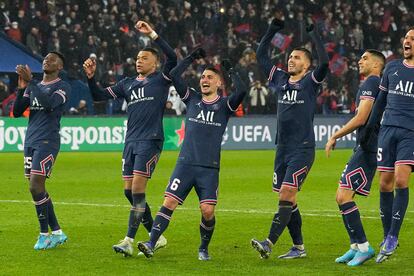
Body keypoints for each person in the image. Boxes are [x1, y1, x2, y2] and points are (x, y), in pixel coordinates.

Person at [137, 49, 247, 261]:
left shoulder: (225, 106)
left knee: (207, 211)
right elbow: (174, 76)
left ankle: (203, 248)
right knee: (169, 202)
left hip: (209, 167)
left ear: (219, 84)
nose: (205, 80)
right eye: (203, 77)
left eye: (210, 77)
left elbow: (242, 89)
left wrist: (230, 70)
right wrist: (190, 59)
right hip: (185, 164)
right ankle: (151, 243)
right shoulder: (192, 99)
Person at [83, 20, 177, 257]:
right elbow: (98, 96)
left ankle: (128, 240)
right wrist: (91, 78)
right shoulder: (127, 84)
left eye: (144, 58)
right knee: (129, 191)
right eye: (137, 57)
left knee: (137, 190)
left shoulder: (161, 79)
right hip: (131, 142)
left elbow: (173, 57)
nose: (139, 60)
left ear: (155, 63)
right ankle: (158, 234)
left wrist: (152, 33)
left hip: (150, 141)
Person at [250, 17, 329, 259]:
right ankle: (299, 248)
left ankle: (268, 243)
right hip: (282, 148)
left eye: (297, 57)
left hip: (302, 149)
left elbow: (325, 62)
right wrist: (271, 31)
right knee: (289, 199)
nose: (291, 60)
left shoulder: (310, 81)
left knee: (286, 194)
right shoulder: (280, 79)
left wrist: (314, 34)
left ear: (307, 65)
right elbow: (261, 56)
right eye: (290, 57)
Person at [325, 50, 385, 266]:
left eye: (365, 58)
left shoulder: (372, 82)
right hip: (367, 146)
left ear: (377, 64)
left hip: (368, 147)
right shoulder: (375, 83)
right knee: (341, 196)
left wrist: (335, 135)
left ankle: (364, 246)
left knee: (343, 196)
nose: (360, 60)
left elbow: (361, 118)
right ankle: (355, 247)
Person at [361, 28, 414, 263]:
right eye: (406, 37)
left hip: (410, 133)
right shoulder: (392, 67)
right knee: (384, 184)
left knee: (402, 180)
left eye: (413, 38)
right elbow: (380, 102)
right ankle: (386, 235)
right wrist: (369, 130)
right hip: (387, 130)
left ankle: (393, 236)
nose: (408, 41)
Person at [13, 51, 70, 250]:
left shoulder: (62, 87)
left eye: (52, 59)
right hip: (30, 141)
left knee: (35, 186)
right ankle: (57, 232)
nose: (47, 60)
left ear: (59, 67)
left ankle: (44, 234)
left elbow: (49, 106)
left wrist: (32, 83)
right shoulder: (32, 85)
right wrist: (22, 89)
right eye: (45, 58)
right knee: (38, 188)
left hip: (48, 141)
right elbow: (17, 112)